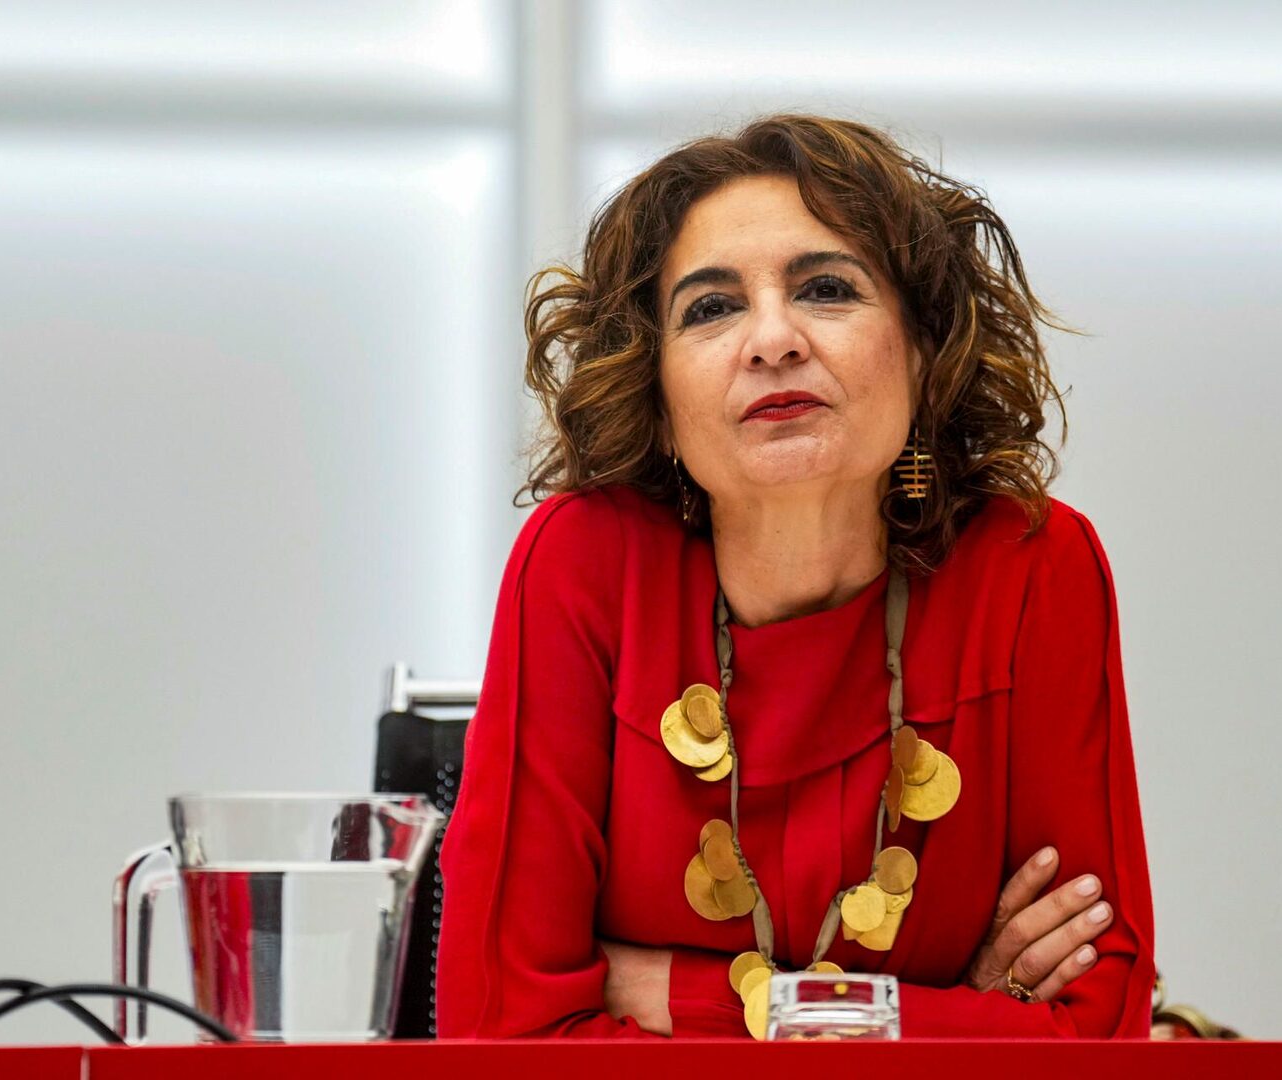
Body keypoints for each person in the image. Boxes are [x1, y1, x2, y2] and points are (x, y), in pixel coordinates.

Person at [435, 113, 1154, 1040]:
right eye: (710, 308)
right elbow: (501, 1039)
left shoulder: (1030, 567)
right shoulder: (585, 563)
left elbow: (1099, 1034)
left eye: (826, 289)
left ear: (924, 352)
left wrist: (681, 997)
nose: (772, 339)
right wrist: (957, 1021)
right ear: (659, 399)